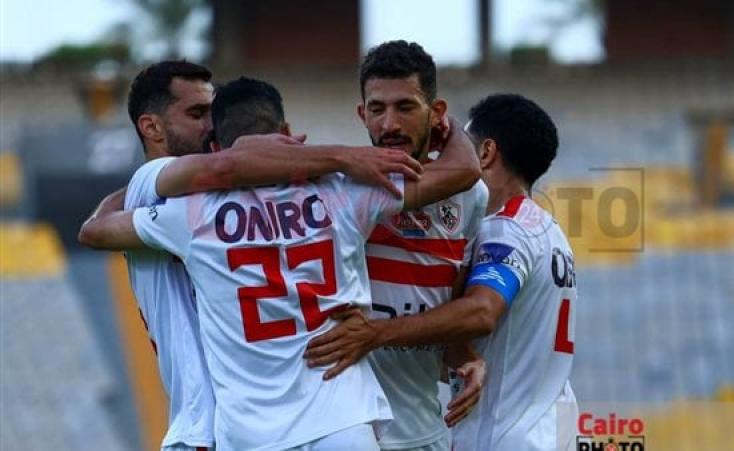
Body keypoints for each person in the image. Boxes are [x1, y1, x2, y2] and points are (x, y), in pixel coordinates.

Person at [79, 76, 480, 450]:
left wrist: (135, 189)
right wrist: (449, 126)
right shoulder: (345, 192)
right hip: (343, 423)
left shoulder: (189, 214)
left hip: (253, 434)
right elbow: (461, 171)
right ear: (288, 132)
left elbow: (96, 231)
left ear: (215, 148)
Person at [305, 94, 579, 451]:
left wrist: (375, 334)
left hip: (504, 435)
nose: (445, 161)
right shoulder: (550, 231)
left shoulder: (504, 231)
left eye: (462, 148)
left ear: (485, 153)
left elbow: (481, 312)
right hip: (552, 428)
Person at [354, 40, 489, 451]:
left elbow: (443, 312)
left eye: (405, 107)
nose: (389, 124)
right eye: (377, 109)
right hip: (349, 434)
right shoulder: (343, 190)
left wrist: (466, 359)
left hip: (424, 433)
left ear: (436, 112)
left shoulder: (471, 198)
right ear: (362, 114)